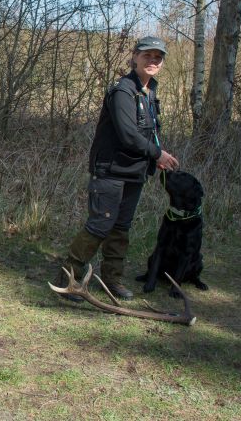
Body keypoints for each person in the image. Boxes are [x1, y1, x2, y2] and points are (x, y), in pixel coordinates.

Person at [55, 36, 180, 299]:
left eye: (158, 57)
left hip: (134, 172)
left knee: (121, 227)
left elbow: (148, 133)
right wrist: (158, 153)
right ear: (135, 57)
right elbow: (128, 134)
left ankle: (111, 280)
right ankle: (68, 280)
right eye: (147, 56)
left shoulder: (149, 91)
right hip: (111, 171)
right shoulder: (123, 90)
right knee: (100, 225)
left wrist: (153, 156)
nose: (153, 61)